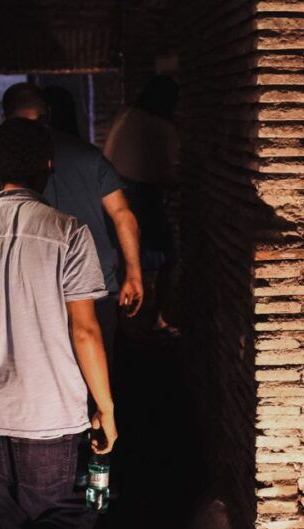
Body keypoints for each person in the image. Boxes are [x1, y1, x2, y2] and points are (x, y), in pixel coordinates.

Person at [0, 118, 116, 529]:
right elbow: (86, 331)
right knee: (62, 520)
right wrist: (105, 409)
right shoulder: (68, 232)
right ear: (48, 167)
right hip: (49, 416)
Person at [0, 82, 142, 359]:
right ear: (48, 113)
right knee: (96, 372)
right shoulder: (87, 156)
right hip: (95, 286)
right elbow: (123, 215)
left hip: (33, 294)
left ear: (6, 120)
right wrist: (134, 274)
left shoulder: (2, 168)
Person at [104, 75, 180, 339]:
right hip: (141, 200)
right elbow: (168, 174)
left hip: (110, 198)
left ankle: (124, 323)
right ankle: (153, 319)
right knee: (165, 258)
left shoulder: (126, 116)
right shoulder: (160, 126)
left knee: (124, 263)